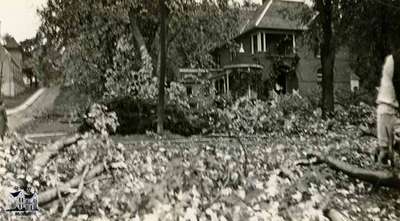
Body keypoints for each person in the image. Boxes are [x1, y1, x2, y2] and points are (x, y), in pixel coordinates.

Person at [375, 50, 400, 164]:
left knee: (386, 150)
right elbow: (397, 84)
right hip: (389, 107)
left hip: (387, 108)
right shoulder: (394, 60)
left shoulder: (392, 59)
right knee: (385, 152)